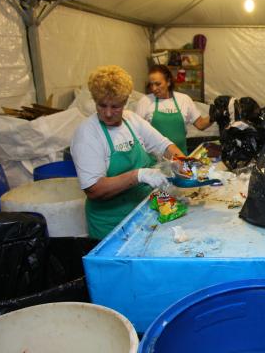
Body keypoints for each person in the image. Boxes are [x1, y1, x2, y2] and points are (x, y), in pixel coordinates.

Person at [71, 65, 184, 239]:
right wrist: (139, 175)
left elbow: (163, 145)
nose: (108, 113)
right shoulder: (88, 133)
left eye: (115, 106)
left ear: (125, 102)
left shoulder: (132, 120)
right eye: (102, 105)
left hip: (143, 214)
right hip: (110, 226)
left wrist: (182, 162)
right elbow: (94, 189)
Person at [136, 65, 213, 154]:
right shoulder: (145, 101)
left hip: (181, 157)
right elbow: (137, 133)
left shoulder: (184, 99)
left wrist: (214, 116)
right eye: (151, 85)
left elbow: (200, 124)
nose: (154, 88)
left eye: (158, 84)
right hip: (155, 159)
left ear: (168, 82)